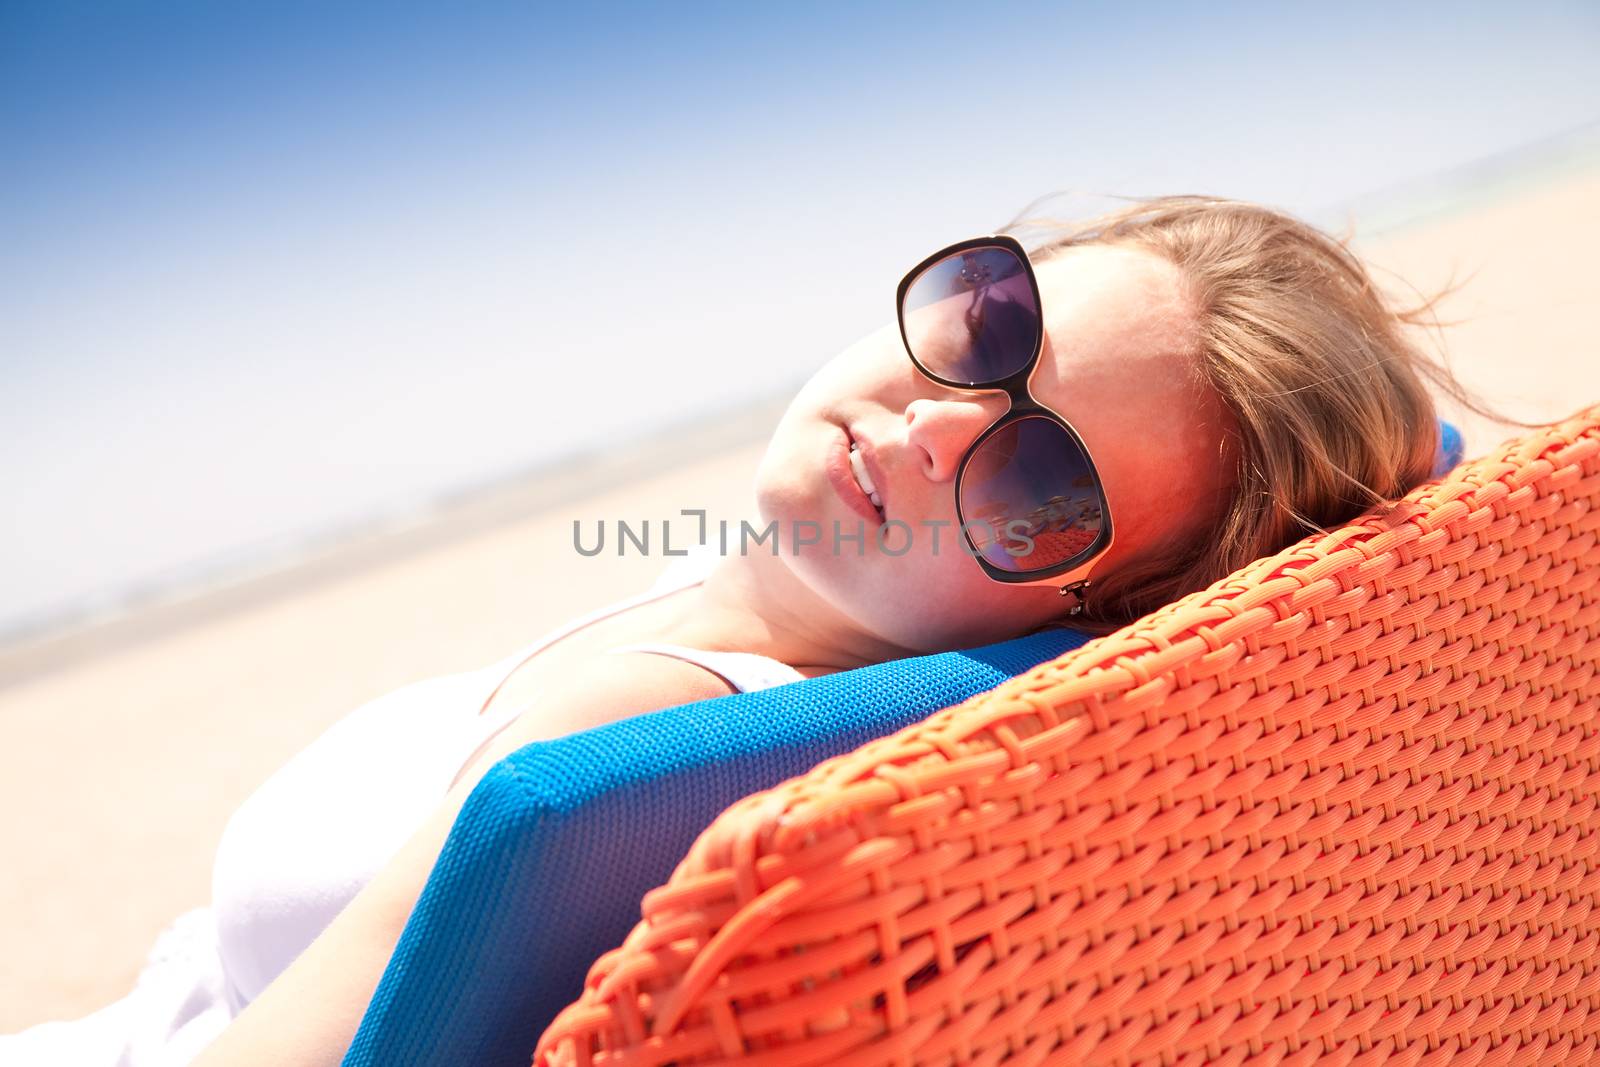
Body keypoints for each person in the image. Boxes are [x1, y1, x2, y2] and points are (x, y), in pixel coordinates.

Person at [2, 195, 1486, 1065]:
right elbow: (1414, 447)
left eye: (1038, 483)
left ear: (1100, 613)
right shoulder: (801, 588)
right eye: (988, 326)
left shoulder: (633, 744)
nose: (928, 424)